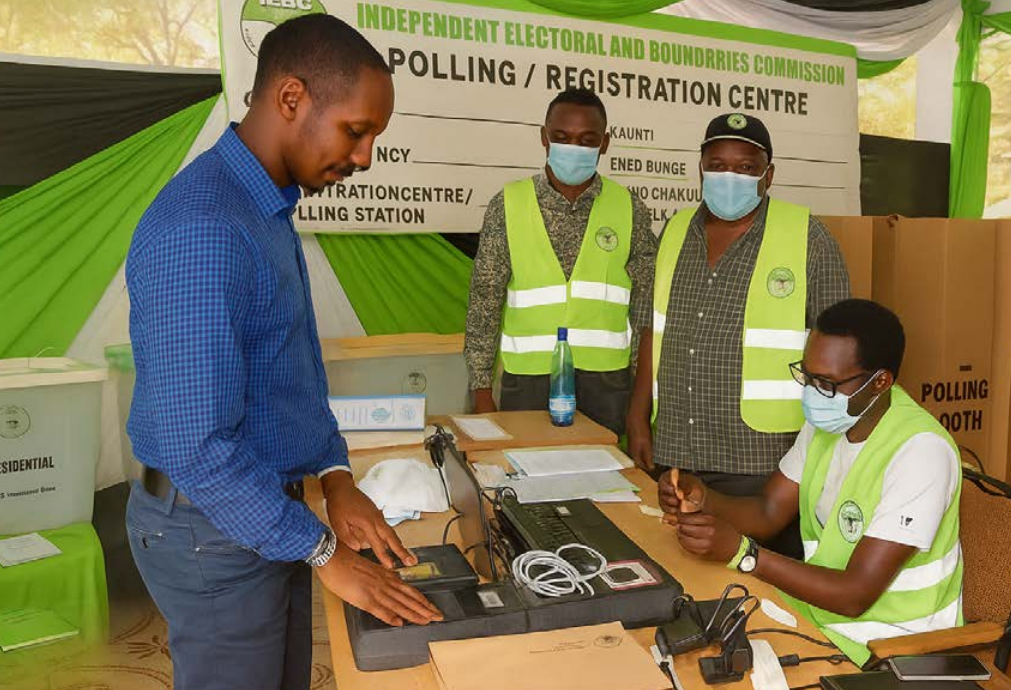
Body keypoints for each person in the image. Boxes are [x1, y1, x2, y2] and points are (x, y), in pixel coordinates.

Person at [125, 15, 441, 690]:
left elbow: (290, 370)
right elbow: (196, 445)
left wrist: (334, 479)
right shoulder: (205, 227)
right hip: (210, 527)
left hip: (265, 513)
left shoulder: (262, 207)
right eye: (357, 131)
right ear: (291, 99)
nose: (364, 158)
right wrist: (322, 549)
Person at [660, 299, 963, 664]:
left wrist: (744, 555)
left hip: (893, 648)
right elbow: (768, 510)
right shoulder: (831, 423)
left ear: (880, 381)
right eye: (808, 376)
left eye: (827, 382)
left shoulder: (921, 452)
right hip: (819, 619)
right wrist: (703, 496)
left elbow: (855, 595)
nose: (812, 392)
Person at [626, 112, 850, 557]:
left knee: (757, 578)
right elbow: (654, 325)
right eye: (718, 164)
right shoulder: (674, 232)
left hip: (763, 459)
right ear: (701, 168)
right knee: (677, 566)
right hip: (676, 447)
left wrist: (823, 447)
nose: (730, 176)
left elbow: (842, 351)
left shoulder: (807, 236)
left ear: (768, 175)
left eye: (746, 168)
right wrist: (637, 415)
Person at [464, 87, 657, 434]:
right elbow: (484, 301)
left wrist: (637, 396)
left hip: (607, 385)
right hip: (527, 383)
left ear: (605, 143)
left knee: (604, 480)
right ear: (544, 137)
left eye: (587, 139)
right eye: (562, 137)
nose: (574, 148)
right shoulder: (507, 204)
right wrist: (480, 389)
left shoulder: (630, 209)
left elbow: (646, 307)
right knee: (528, 478)